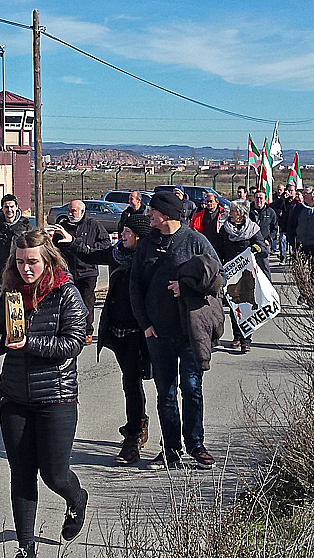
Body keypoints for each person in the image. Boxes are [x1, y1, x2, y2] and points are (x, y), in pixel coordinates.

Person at [0, 230, 89, 558]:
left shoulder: (66, 293)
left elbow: (73, 344)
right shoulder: (10, 291)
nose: (26, 268)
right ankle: (25, 547)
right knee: (22, 473)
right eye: (21, 261)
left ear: (47, 260)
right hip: (14, 397)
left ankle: (76, 498)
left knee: (54, 474)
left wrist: (30, 343)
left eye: (33, 262)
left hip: (56, 397)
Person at [130, 191, 222, 470]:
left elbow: (218, 278)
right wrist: (145, 325)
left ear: (166, 214)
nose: (148, 214)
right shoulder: (147, 244)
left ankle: (196, 445)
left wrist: (187, 287)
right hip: (158, 334)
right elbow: (135, 286)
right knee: (165, 393)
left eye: (153, 210)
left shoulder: (195, 241)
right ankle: (171, 450)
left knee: (192, 389)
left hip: (190, 332)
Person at [59, 214, 154, 465]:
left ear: (139, 237)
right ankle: (137, 425)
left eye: (127, 233)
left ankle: (134, 437)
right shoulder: (118, 253)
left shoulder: (151, 259)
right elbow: (93, 256)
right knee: (130, 383)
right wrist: (70, 242)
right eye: (122, 232)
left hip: (140, 330)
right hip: (117, 328)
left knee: (135, 382)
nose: (122, 236)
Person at [50, 200, 110, 344]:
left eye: (74, 211)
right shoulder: (63, 227)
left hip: (87, 272)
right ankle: (68, 330)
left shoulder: (94, 225)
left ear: (82, 212)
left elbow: (105, 244)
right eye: (69, 211)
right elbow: (54, 249)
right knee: (67, 303)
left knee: (86, 301)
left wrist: (88, 248)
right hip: (67, 272)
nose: (70, 214)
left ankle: (87, 331)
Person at [219, 200, 268, 353]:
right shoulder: (225, 229)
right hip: (231, 274)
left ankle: (246, 339)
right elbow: (219, 249)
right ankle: (236, 336)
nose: (230, 213)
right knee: (235, 307)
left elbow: (263, 249)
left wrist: (254, 249)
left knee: (247, 306)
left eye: (233, 211)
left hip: (247, 274)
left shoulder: (253, 229)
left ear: (241, 214)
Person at [0, 193, 34, 302]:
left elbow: (32, 249)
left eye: (12, 206)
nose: (9, 210)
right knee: (0, 301)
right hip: (0, 271)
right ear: (2, 208)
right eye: (6, 207)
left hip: (19, 270)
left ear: (16, 207)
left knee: (19, 300)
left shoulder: (25, 224)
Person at [250, 190, 280, 260]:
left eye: (261, 198)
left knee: (264, 268)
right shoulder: (248, 211)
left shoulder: (270, 212)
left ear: (265, 199)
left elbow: (274, 228)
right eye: (257, 198)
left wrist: (269, 240)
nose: (258, 200)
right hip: (250, 244)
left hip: (264, 244)